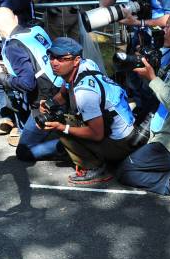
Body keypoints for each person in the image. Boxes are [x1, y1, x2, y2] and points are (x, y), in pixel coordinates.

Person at [117, 8, 170, 200]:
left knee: (126, 171)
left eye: (169, 26)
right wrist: (150, 74)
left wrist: (153, 79)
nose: (163, 30)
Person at [36, 37, 136, 185]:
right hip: (126, 129)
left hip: (121, 143)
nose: (54, 62)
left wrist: (63, 128)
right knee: (64, 118)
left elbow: (96, 134)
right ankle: (93, 154)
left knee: (60, 125)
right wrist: (51, 103)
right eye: (52, 57)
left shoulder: (84, 93)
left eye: (62, 59)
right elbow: (65, 90)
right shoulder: (86, 64)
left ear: (76, 60)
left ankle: (95, 167)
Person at [0, 8, 63, 151]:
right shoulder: (35, 30)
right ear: (15, 18)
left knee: (24, 150)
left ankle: (65, 145)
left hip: (46, 101)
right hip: (61, 88)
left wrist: (1, 76)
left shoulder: (12, 46)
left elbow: (27, 84)